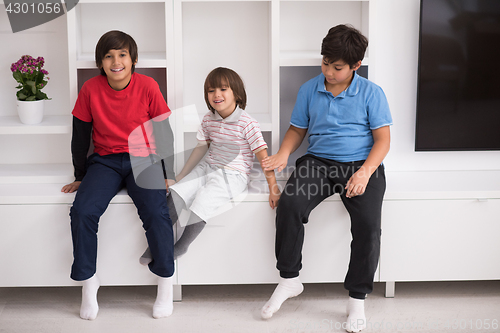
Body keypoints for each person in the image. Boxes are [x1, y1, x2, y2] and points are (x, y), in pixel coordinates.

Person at [261, 25, 392, 333]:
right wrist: (283, 154)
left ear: (356, 66)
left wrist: (363, 173)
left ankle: (357, 300)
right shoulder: (310, 89)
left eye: (337, 67)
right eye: (325, 63)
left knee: (369, 227)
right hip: (318, 162)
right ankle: (289, 280)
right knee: (290, 205)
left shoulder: (372, 93)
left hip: (362, 164)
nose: (328, 72)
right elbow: (297, 129)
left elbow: (383, 141)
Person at [61, 30, 176, 320]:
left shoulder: (148, 86)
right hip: (106, 161)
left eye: (122, 54)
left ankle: (165, 283)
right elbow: (80, 135)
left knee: (156, 212)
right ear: (100, 62)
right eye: (109, 56)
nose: (116, 61)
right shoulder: (90, 89)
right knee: (83, 211)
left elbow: (163, 132)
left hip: (144, 160)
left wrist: (169, 173)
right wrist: (80, 175)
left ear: (133, 59)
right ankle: (89, 283)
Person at [140, 67, 280, 265]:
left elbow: (264, 157)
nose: (216, 94)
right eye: (211, 90)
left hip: (234, 174)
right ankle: (157, 243)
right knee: (176, 194)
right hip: (207, 167)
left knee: (202, 201)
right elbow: (200, 149)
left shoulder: (247, 123)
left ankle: (181, 246)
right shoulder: (208, 119)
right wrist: (180, 176)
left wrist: (274, 188)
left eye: (223, 89)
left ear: (236, 93)